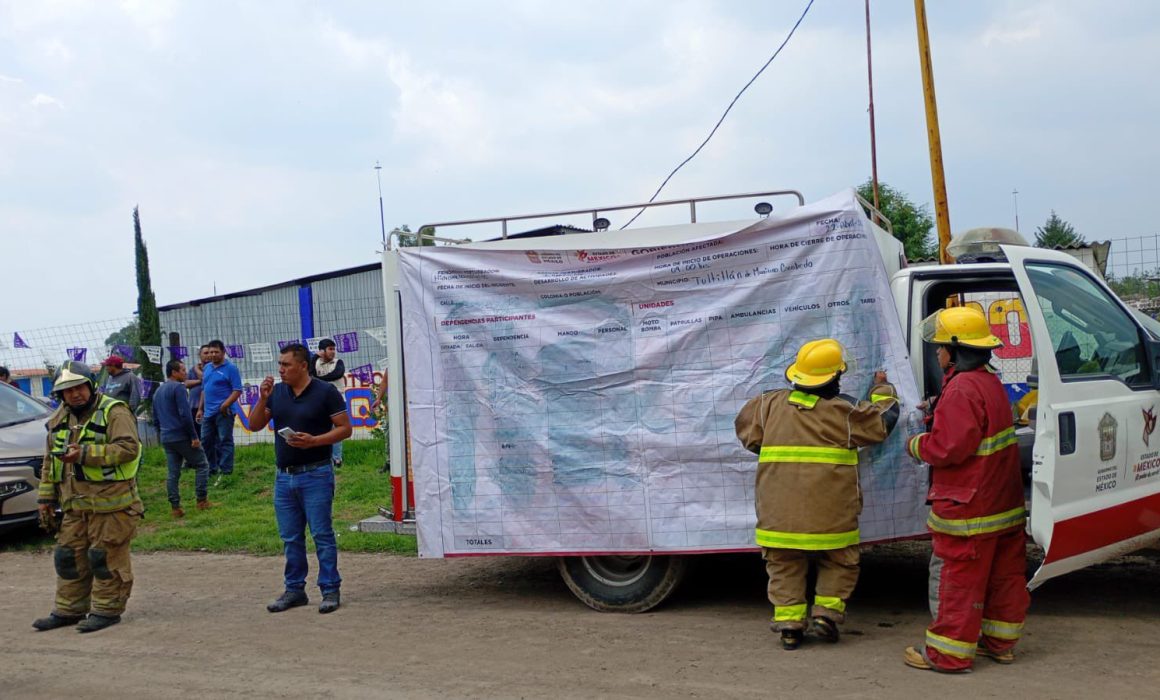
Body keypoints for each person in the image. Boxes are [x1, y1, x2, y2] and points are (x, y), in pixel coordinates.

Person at [735, 339, 899, 650]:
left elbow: (747, 434)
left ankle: (789, 625)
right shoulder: (844, 412)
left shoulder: (766, 404)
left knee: (783, 565)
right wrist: (883, 390)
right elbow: (883, 422)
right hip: (832, 516)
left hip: (777, 515)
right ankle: (826, 615)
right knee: (840, 561)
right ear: (835, 378)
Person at [903, 306, 1029, 673]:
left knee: (957, 580)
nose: (938, 353)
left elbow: (948, 449)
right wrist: (937, 407)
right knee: (1004, 577)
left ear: (957, 351)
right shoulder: (989, 381)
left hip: (967, 508)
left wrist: (915, 444)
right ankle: (1000, 644)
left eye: (942, 347)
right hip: (1001, 504)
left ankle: (948, 654)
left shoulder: (961, 389)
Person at [32, 361, 143, 633]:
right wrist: (45, 499)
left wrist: (84, 454)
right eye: (67, 390)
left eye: (79, 387)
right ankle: (69, 610)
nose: (74, 394)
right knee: (68, 557)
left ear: (91, 385)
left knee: (103, 558)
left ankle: (107, 610)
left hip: (113, 506)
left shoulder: (114, 412)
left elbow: (129, 448)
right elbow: (50, 462)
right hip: (74, 506)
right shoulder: (59, 418)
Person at [246, 343, 351, 614]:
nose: (280, 369)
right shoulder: (277, 392)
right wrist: (262, 398)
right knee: (291, 537)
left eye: (286, 365)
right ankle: (294, 590)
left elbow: (344, 429)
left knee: (321, 534)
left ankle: (330, 589)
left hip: (316, 473)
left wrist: (315, 441)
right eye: (280, 364)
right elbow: (254, 425)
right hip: (284, 477)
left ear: (303, 365)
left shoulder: (325, 392)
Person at [152, 359, 212, 517]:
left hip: (166, 437)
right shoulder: (178, 388)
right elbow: (185, 415)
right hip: (181, 435)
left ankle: (175, 507)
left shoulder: (158, 391)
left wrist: (162, 433)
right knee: (202, 464)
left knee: (173, 472)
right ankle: (201, 500)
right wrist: (193, 436)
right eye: (183, 370)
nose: (186, 372)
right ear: (174, 372)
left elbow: (155, 417)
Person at [197, 339, 242, 481]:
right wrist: (200, 409)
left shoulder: (231, 368)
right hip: (208, 412)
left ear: (223, 352)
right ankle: (211, 468)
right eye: (210, 352)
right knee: (206, 441)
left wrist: (225, 405)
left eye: (216, 352)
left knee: (225, 440)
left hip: (224, 412)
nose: (212, 354)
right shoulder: (207, 368)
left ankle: (226, 471)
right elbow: (204, 389)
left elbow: (237, 390)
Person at [309, 338, 348, 467]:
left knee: (338, 430)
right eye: (330, 349)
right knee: (320, 430)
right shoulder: (316, 362)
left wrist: (318, 379)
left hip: (338, 401)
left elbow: (337, 374)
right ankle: (322, 457)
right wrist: (314, 357)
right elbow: (308, 373)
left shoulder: (338, 362)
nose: (333, 352)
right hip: (320, 402)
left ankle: (337, 458)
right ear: (322, 351)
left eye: (334, 349)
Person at [186, 345, 210, 434]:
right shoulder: (192, 370)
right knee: (196, 432)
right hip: (193, 406)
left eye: (209, 353)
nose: (208, 355)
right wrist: (199, 381)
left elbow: (204, 378)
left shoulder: (212, 368)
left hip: (206, 406)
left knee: (206, 433)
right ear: (199, 355)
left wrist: (197, 369)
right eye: (205, 353)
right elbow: (186, 383)